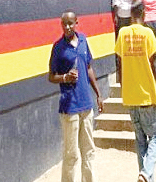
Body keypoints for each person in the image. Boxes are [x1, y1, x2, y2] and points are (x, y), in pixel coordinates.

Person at [115, 0, 156, 182]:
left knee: (140, 142)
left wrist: (124, 87)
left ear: (131, 13)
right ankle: (146, 173)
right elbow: (155, 65)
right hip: (146, 96)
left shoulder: (122, 33)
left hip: (131, 97)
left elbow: (120, 64)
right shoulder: (148, 33)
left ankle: (145, 176)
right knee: (155, 139)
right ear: (144, 13)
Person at [49, 10, 104, 182]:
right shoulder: (58, 47)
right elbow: (51, 76)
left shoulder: (83, 41)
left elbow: (88, 68)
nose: (67, 27)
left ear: (76, 23)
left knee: (89, 151)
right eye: (64, 24)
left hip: (86, 105)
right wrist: (65, 77)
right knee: (71, 154)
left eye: (70, 23)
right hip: (69, 108)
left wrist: (98, 94)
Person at [111, 0, 138, 81]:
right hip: (132, 11)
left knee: (121, 41)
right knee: (131, 41)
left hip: (121, 11)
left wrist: (115, 13)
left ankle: (121, 73)